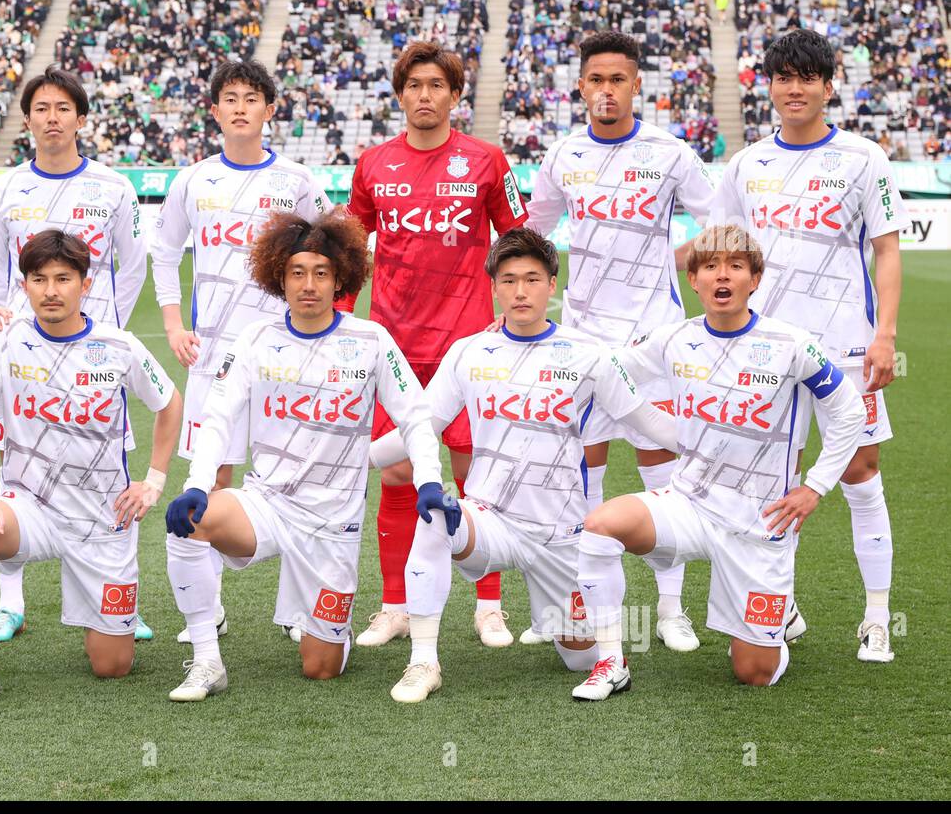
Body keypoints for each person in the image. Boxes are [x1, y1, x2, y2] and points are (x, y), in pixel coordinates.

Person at [369, 228, 679, 702]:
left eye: (532, 279)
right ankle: (423, 662)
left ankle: (579, 630)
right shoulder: (469, 352)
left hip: (561, 534)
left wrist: (717, 443)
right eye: (509, 279)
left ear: (552, 284)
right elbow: (421, 426)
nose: (520, 291)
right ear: (494, 286)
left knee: (579, 655)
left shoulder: (588, 354)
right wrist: (354, 457)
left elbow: (648, 421)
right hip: (490, 520)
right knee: (434, 515)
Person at [162, 211, 453, 702]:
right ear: (280, 277)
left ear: (341, 277)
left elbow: (416, 418)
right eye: (297, 272)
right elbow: (217, 417)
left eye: (321, 272)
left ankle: (316, 623)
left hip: (332, 523)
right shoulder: (256, 339)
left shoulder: (370, 341)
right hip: (267, 503)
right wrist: (197, 482)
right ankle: (208, 660)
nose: (309, 284)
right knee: (189, 521)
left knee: (321, 669)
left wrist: (427, 479)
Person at [571, 224, 866, 701]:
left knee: (753, 673)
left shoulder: (791, 343)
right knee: (602, 524)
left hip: (760, 520)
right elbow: (609, 370)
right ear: (694, 280)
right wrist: (669, 432)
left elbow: (850, 409)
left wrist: (814, 487)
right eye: (710, 267)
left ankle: (778, 616)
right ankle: (610, 661)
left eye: (734, 266)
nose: (721, 276)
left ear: (755, 278)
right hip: (690, 502)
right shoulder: (673, 340)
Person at [712, 29, 910, 662]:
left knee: (861, 472)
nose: (794, 88)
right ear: (769, 86)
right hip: (765, 351)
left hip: (848, 349)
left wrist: (885, 336)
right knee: (769, 481)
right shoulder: (746, 165)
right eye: (782, 77)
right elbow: (723, 252)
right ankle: (781, 609)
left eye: (807, 77)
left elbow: (887, 250)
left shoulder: (863, 158)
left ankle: (876, 616)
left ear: (829, 87)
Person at [524, 31, 716, 651]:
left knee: (663, 474)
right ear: (580, 87)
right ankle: (576, 605)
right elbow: (535, 232)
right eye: (596, 80)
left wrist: (676, 262)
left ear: (637, 86)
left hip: (656, 339)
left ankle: (669, 608)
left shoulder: (670, 153)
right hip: (581, 340)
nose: (607, 91)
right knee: (582, 471)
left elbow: (719, 226)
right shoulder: (562, 155)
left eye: (619, 80)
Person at [0, 230, 182, 708]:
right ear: (24, 285)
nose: (51, 290)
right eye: (38, 279)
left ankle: (116, 620)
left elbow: (171, 404)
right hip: (31, 506)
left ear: (84, 285)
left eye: (63, 279)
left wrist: (153, 482)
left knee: (112, 667)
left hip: (101, 519)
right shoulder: (4, 338)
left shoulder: (119, 345)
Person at [346, 40, 529, 650]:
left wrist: (512, 322)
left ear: (455, 95)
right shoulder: (372, 163)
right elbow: (350, 250)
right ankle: (395, 605)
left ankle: (489, 606)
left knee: (477, 477)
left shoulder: (486, 160)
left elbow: (519, 243)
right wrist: (344, 325)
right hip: (393, 350)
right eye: (414, 86)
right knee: (397, 474)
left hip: (471, 350)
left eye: (436, 86)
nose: (425, 96)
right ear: (400, 95)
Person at [150, 58, 332, 646]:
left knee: (298, 476)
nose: (239, 107)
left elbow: (334, 247)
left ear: (269, 111)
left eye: (251, 98)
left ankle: (297, 606)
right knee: (214, 473)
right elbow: (163, 251)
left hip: (288, 355)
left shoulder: (298, 181)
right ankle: (210, 610)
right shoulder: (193, 179)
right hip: (215, 354)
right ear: (214, 110)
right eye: (229, 98)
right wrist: (175, 325)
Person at [0, 65, 149, 644]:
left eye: (63, 108)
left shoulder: (114, 187)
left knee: (111, 463)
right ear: (27, 119)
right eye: (41, 109)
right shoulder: (3, 190)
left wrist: (103, 328)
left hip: (92, 351)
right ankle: (11, 601)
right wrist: (5, 318)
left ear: (80, 117)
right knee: (17, 466)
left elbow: (133, 264)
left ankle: (121, 597)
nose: (52, 119)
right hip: (23, 354)